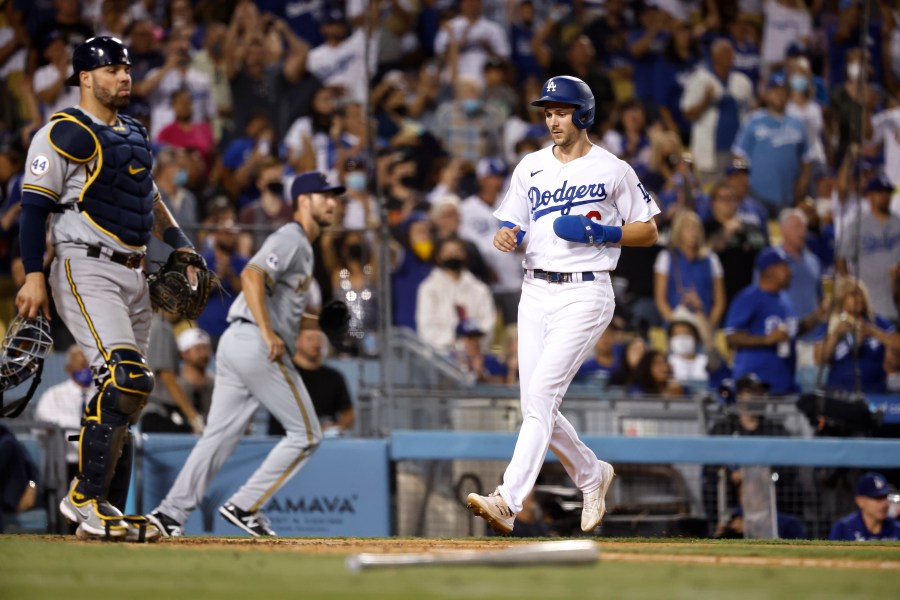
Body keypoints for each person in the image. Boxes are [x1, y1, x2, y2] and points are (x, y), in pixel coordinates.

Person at [15, 37, 200, 542]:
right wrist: (33, 274)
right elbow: (33, 209)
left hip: (136, 272)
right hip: (85, 266)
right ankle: (84, 499)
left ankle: (107, 512)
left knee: (128, 395)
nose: (124, 76)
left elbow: (150, 199)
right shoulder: (62, 133)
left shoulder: (135, 133)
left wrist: (180, 244)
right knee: (126, 377)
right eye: (112, 68)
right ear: (85, 77)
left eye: (126, 67)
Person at [465, 76, 660, 535]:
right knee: (536, 403)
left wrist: (605, 233)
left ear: (584, 114)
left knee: (542, 396)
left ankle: (508, 500)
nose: (553, 118)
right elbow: (511, 225)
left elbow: (649, 230)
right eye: (547, 111)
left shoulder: (612, 169)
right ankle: (593, 476)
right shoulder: (529, 166)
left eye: (562, 110)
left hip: (586, 290)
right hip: (534, 290)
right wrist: (506, 235)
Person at [147, 171, 342, 538]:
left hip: (239, 343)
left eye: (334, 196)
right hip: (256, 342)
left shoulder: (302, 246)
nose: (332, 202)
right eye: (323, 195)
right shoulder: (292, 237)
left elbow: (278, 306)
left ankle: (170, 513)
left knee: (218, 436)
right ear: (303, 200)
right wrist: (269, 333)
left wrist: (316, 321)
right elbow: (252, 275)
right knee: (308, 434)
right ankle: (246, 505)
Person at [814, 278, 900, 394]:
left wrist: (874, 332)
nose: (859, 298)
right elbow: (819, 359)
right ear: (841, 298)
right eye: (853, 294)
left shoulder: (876, 321)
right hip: (838, 393)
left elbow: (897, 343)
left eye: (861, 294)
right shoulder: (830, 325)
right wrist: (835, 335)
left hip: (875, 391)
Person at [268, 324, 355, 438]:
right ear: (297, 340)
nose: (316, 343)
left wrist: (335, 427)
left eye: (319, 339)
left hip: (325, 444)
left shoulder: (335, 377)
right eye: (310, 339)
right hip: (283, 440)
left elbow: (348, 414)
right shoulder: (282, 375)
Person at [415, 236, 496, 354]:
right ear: (438, 256)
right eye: (447, 252)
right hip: (440, 356)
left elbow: (488, 324)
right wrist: (456, 342)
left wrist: (471, 343)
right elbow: (426, 328)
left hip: (475, 354)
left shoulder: (479, 289)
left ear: (465, 255)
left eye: (457, 252)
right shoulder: (429, 288)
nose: (452, 256)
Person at [836, 173, 900, 320]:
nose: (885, 197)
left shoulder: (898, 223)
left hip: (895, 301)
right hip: (869, 306)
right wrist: (851, 287)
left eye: (887, 193)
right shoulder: (856, 226)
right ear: (869, 196)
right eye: (880, 193)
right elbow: (840, 258)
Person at [32, 345, 95, 478]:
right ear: (69, 369)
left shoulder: (100, 396)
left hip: (94, 463)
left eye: (87, 366)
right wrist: (74, 437)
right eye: (81, 365)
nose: (85, 369)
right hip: (65, 462)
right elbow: (42, 428)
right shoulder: (53, 395)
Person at [829, 472, 899, 541]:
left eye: (885, 497)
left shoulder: (897, 529)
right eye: (877, 498)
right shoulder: (843, 528)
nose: (884, 504)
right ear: (860, 501)